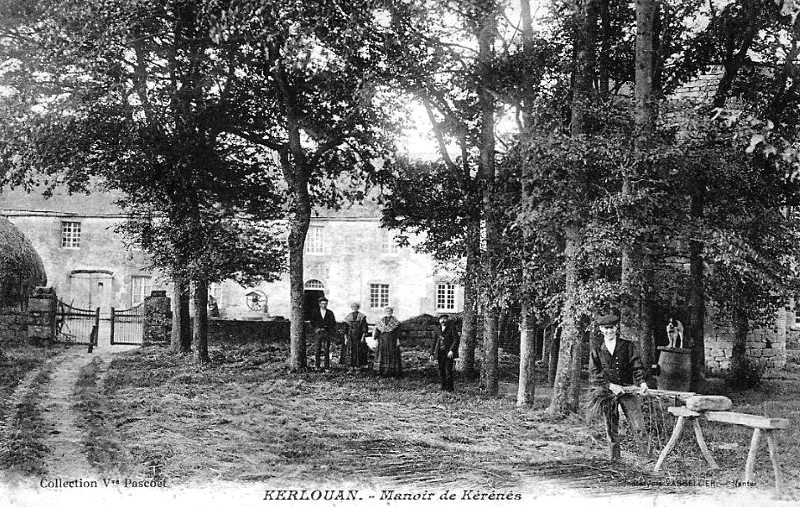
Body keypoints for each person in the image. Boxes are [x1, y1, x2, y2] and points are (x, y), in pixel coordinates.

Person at [589, 313, 650, 460]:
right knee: (610, 427)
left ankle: (646, 459)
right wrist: (610, 386)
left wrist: (642, 382)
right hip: (607, 392)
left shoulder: (627, 346)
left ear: (617, 328)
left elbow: (637, 365)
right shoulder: (597, 349)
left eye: (612, 328)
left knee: (638, 425)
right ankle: (614, 460)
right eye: (605, 328)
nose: (609, 331)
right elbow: (594, 373)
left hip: (628, 389)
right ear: (601, 329)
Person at [429, 314, 459, 391]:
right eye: (441, 319)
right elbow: (434, 342)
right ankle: (443, 387)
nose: (443, 320)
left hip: (448, 353)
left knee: (448, 370)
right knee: (441, 370)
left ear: (447, 320)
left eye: (445, 319)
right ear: (439, 321)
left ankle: (450, 389)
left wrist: (451, 350)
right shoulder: (437, 329)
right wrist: (431, 353)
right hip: (440, 352)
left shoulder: (451, 328)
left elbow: (456, 340)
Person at [372, 306, 403, 378]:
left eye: (389, 311)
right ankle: (381, 371)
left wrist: (398, 340)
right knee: (381, 354)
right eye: (386, 311)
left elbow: (398, 332)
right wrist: (376, 340)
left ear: (392, 312)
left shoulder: (395, 321)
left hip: (392, 340)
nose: (388, 313)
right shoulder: (381, 321)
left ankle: (392, 372)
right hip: (382, 340)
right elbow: (377, 331)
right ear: (384, 312)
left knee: (392, 354)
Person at [309, 296, 336, 371]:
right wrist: (316, 328)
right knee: (317, 349)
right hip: (318, 333)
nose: (324, 305)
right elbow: (312, 322)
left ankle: (326, 367)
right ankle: (317, 366)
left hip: (326, 333)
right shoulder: (315, 312)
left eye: (325, 304)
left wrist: (328, 329)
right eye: (322, 304)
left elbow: (333, 323)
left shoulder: (330, 313)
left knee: (326, 349)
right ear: (319, 304)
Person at [342, 302, 370, 369]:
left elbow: (364, 328)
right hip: (350, 336)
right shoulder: (348, 317)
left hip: (359, 336)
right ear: (351, 308)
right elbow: (345, 329)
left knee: (359, 351)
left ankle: (358, 367)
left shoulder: (362, 316)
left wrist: (363, 337)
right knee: (350, 351)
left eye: (356, 307)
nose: (355, 308)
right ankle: (351, 367)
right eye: (353, 307)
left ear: (358, 308)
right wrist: (345, 338)